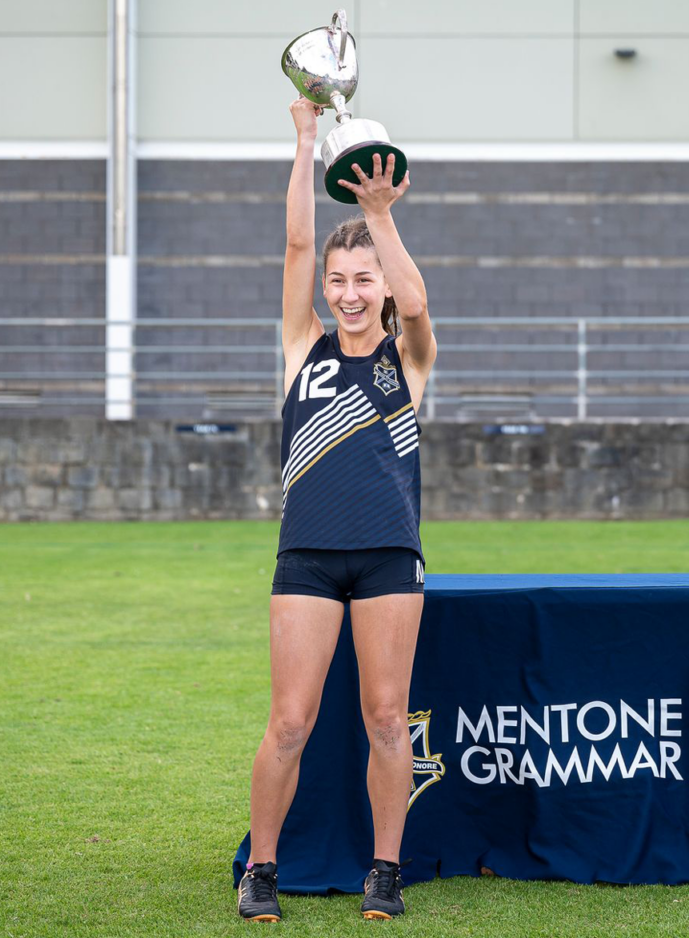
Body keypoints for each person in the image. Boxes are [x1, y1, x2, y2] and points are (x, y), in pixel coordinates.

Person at [238, 97, 436, 922]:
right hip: (308, 557)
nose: (352, 294)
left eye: (365, 281)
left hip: (389, 555)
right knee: (290, 721)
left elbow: (418, 304)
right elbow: (291, 241)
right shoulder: (301, 350)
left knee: (388, 718)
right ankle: (263, 870)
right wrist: (303, 139)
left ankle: (384, 871)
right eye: (339, 281)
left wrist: (377, 216)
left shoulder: (408, 358)